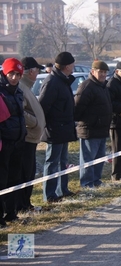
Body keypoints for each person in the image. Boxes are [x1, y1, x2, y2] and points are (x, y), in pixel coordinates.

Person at [39, 51, 77, 202]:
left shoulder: (63, 80)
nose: (74, 66)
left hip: (64, 128)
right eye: (72, 64)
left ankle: (62, 190)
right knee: (52, 162)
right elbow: (43, 107)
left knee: (63, 161)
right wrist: (49, 126)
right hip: (55, 129)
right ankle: (49, 195)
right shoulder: (52, 82)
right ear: (67, 66)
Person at [74, 60, 112, 188]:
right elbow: (77, 108)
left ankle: (96, 181)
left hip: (102, 129)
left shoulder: (103, 86)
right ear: (92, 71)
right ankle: (87, 183)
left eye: (104, 72)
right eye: (100, 72)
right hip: (89, 129)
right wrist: (90, 121)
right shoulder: (86, 86)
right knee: (88, 159)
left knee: (99, 158)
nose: (102, 74)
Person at [0, 58, 26, 226]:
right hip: (4, 142)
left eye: (17, 74)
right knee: (1, 180)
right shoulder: (1, 92)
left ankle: (11, 212)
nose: (14, 77)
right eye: (11, 74)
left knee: (14, 179)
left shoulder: (18, 92)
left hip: (18, 141)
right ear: (4, 73)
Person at [19, 57, 46, 212]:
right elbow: (20, 112)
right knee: (25, 174)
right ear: (30, 71)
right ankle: (22, 206)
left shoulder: (27, 87)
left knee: (29, 173)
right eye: (37, 70)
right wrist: (35, 122)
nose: (38, 74)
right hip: (26, 138)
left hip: (32, 138)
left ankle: (26, 204)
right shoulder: (22, 87)